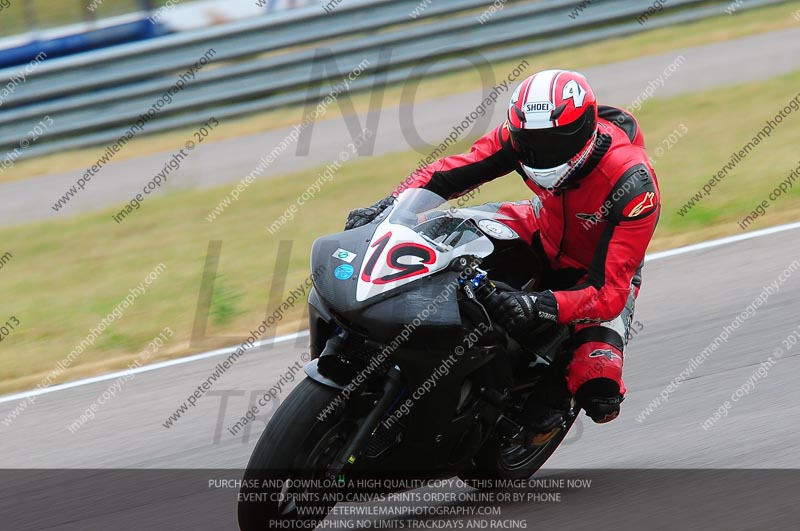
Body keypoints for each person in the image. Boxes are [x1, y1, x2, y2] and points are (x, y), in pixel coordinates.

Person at [344, 69, 660, 431]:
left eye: (555, 142)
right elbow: (450, 173)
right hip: (535, 226)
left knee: (598, 391)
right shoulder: (515, 138)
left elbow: (609, 293)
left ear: (584, 130)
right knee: (434, 234)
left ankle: (537, 408)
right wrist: (390, 205)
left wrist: (536, 305)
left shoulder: (633, 184)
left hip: (595, 274)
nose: (540, 153)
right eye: (530, 142)